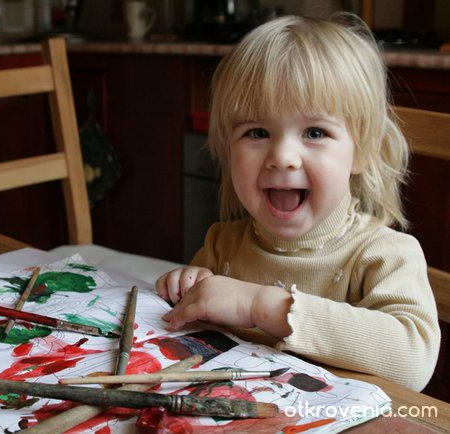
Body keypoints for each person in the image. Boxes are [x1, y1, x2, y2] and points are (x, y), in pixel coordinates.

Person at [156, 13, 440, 391]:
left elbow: (413, 361)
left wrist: (260, 306)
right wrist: (186, 288)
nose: (282, 156)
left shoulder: (384, 255)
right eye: (257, 132)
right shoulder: (222, 245)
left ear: (362, 151)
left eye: (315, 132)